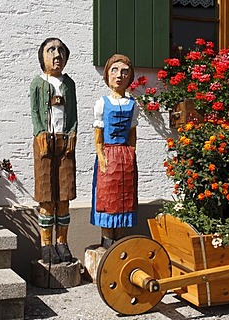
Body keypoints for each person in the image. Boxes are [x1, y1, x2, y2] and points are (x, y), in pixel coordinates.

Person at [30, 37, 77, 264]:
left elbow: (74, 113)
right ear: (43, 56)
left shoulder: (69, 84)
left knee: (65, 195)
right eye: (51, 50)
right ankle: (46, 244)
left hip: (65, 142)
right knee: (47, 196)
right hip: (44, 144)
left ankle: (62, 242)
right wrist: (40, 133)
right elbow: (35, 113)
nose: (57, 55)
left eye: (61, 50)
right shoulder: (38, 83)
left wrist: (73, 133)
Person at [91, 54, 139, 249]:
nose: (119, 76)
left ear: (130, 77)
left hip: (125, 155)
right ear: (107, 75)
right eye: (115, 70)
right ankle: (106, 239)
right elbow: (98, 134)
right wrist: (101, 157)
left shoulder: (132, 105)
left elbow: (133, 133)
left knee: (124, 197)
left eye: (124, 72)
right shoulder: (102, 103)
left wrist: (131, 153)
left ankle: (119, 239)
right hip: (108, 153)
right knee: (107, 197)